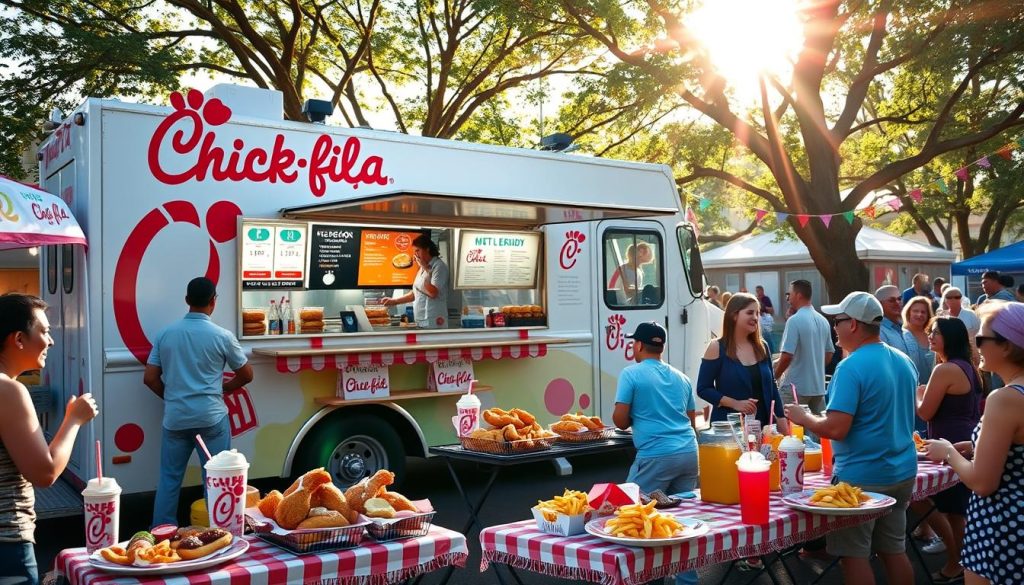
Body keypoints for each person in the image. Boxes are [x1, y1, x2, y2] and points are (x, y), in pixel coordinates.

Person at [785, 292, 918, 585]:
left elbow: (836, 428)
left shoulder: (850, 366)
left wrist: (803, 417)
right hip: (902, 470)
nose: (834, 327)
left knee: (853, 555)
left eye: (838, 321)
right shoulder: (904, 360)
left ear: (854, 325)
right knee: (893, 549)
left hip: (862, 476)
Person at [923, 301, 1024, 585]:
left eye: (981, 338)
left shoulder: (1005, 398)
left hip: (1001, 524)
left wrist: (948, 453)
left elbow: (982, 482)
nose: (975, 344)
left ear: (1007, 345)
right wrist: (974, 445)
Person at [0, 294, 98, 583]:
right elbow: (44, 472)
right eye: (44, 332)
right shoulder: (9, 391)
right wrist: (74, 419)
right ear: (18, 339)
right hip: (7, 544)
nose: (51, 342)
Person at [144, 277, 253, 527]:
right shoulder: (223, 336)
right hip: (211, 417)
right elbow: (247, 375)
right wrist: (223, 389)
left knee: (169, 479)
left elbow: (149, 378)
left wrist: (172, 398)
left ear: (186, 301)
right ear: (213, 301)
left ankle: (161, 533)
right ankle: (218, 532)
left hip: (175, 419)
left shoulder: (166, 334)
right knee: (215, 479)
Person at [612, 321, 699, 585]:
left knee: (633, 513)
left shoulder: (631, 374)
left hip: (656, 456)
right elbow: (691, 420)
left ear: (638, 345)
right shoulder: (681, 378)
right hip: (688, 452)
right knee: (682, 519)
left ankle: (643, 578)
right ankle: (687, 580)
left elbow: (620, 420)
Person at [912, 317, 982, 581]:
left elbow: (925, 411)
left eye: (936, 333)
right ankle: (959, 562)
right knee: (950, 508)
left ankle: (956, 564)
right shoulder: (967, 366)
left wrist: (918, 394)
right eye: (930, 332)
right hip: (960, 440)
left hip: (951, 444)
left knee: (953, 511)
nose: (930, 336)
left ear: (950, 338)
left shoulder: (946, 369)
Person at [697, 293, 788, 431]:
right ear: (734, 315)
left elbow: (772, 386)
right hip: (731, 429)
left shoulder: (762, 346)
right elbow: (703, 389)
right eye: (750, 313)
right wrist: (735, 403)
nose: (756, 318)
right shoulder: (716, 347)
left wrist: (781, 418)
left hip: (765, 426)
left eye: (757, 313)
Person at [774, 280, 833, 414]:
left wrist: (774, 378)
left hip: (795, 388)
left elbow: (787, 356)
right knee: (817, 431)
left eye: (789, 294)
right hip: (818, 387)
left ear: (799, 295)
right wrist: (813, 367)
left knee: (788, 430)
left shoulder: (794, 320)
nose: (788, 299)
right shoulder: (823, 320)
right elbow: (829, 353)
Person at [383, 234, 450, 328]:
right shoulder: (422, 268)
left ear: (427, 249)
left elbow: (432, 293)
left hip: (433, 321)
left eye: (418, 250)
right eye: (414, 251)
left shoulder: (439, 266)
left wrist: (425, 268)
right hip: (421, 320)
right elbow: (416, 293)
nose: (415, 255)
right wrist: (394, 301)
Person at [903, 296, 935, 435]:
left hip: (932, 392)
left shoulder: (933, 335)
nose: (919, 315)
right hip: (909, 393)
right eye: (915, 311)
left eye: (923, 312)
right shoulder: (901, 334)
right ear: (908, 312)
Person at [876, 285, 911, 355]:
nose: (897, 302)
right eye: (891, 300)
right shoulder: (878, 332)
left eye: (899, 299)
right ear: (879, 304)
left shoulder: (906, 330)